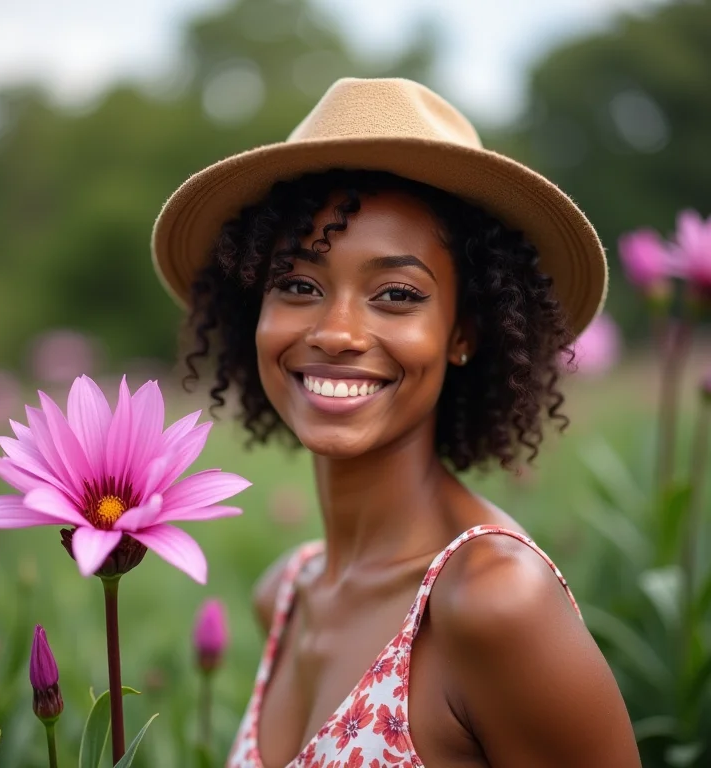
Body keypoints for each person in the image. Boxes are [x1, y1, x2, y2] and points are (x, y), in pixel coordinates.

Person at [152, 78, 641, 767]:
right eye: (298, 285)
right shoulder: (286, 595)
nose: (338, 331)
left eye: (397, 295)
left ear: (464, 331)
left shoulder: (494, 603)